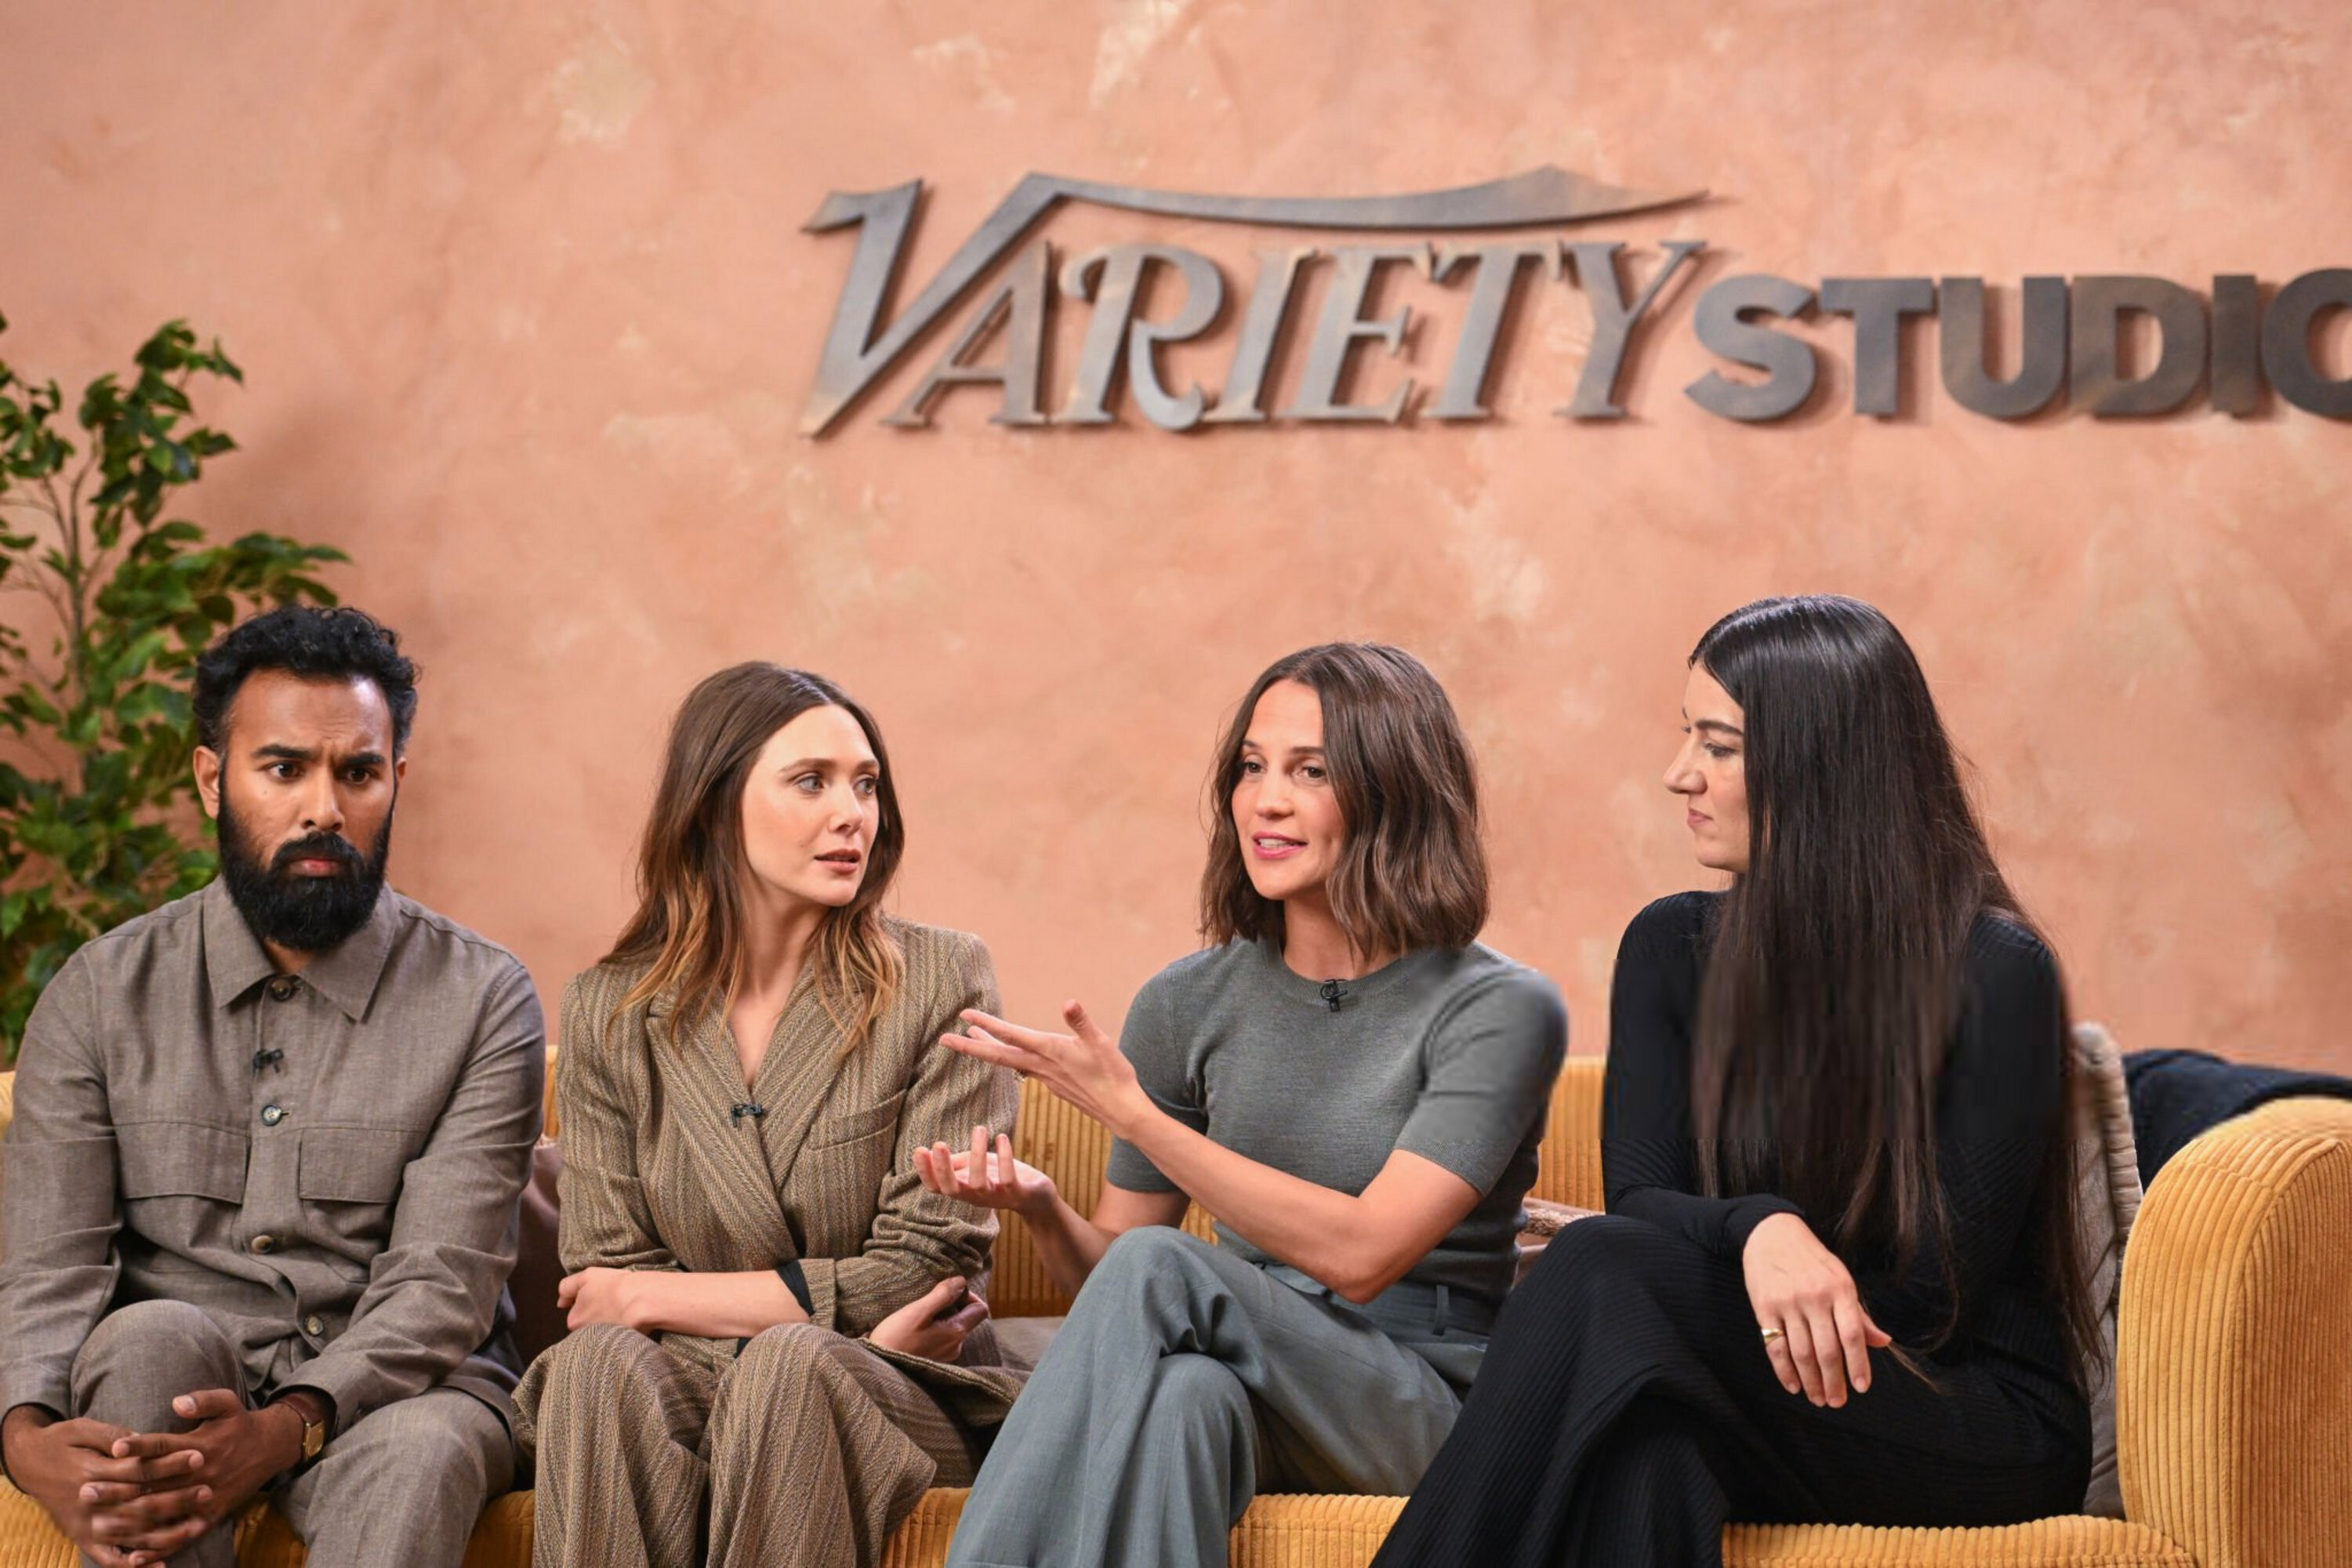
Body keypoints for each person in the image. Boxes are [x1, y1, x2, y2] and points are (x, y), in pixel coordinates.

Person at [1371, 595, 2102, 1566]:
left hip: (1962, 1406)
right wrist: (1760, 1227)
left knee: (1601, 1269)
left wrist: (1739, 1281)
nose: (1680, 773)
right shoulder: (1670, 946)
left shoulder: (1995, 970)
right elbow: (1643, 1195)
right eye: (1688, 736)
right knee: (1646, 1449)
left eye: (1717, 745)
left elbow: (1932, 1302)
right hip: (1761, 1379)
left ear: (1820, 764)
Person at [920, 643, 1566, 1568]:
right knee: (1184, 1395)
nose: (1266, 800)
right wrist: (1042, 1207)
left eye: (1312, 771)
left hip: (1428, 1405)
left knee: (1163, 1269)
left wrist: (1135, 1116)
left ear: (1396, 790)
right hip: (1249, 1381)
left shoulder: (1499, 1008)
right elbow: (1115, 1283)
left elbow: (1364, 1254)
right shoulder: (1186, 1001)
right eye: (1252, 767)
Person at [0, 606, 543, 1568]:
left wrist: (289, 1422)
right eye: (285, 768)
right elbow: (49, 1265)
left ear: (397, 779)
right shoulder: (98, 992)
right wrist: (23, 1435)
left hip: (403, 1395)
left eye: (358, 773)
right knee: (149, 1339)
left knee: (425, 1447)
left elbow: (441, 1284)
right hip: (173, 1380)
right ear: (214, 778)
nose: (324, 807)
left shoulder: (484, 998)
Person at [514, 663, 1022, 1568]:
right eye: (811, 782)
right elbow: (606, 1278)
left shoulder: (942, 978)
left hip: (904, 1384)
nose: (853, 813)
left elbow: (927, 1268)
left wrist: (673, 1300)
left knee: (791, 1368)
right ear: (715, 807)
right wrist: (821, 1315)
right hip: (717, 1378)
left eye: (866, 784)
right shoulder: (609, 1009)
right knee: (592, 1370)